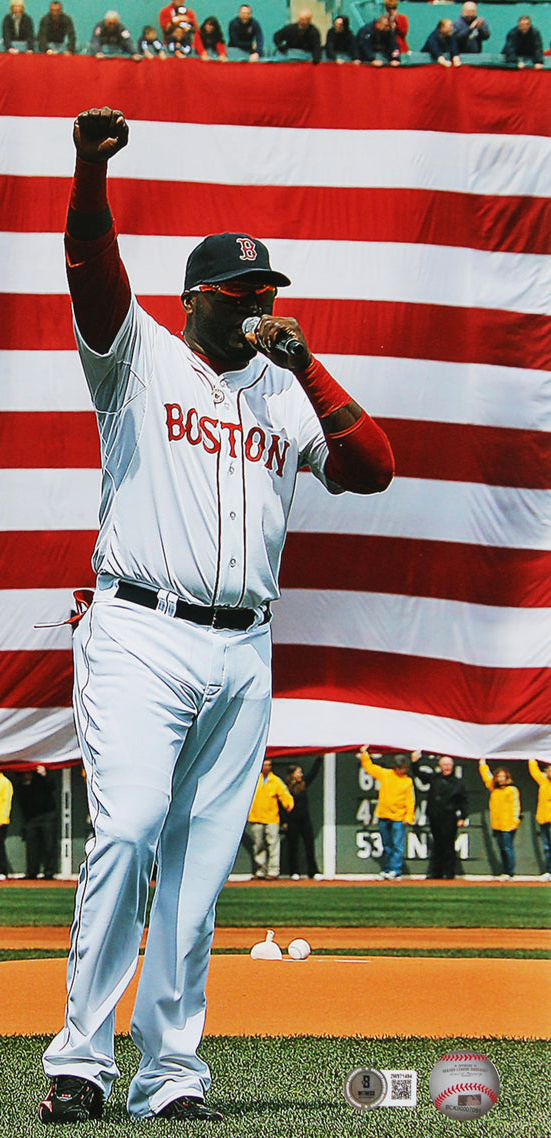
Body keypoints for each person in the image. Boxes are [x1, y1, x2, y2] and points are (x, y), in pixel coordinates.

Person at [39, 106, 393, 1126]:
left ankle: (171, 1073)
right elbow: (87, 265)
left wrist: (304, 365)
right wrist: (87, 168)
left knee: (198, 864)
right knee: (130, 828)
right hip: (140, 630)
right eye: (242, 294)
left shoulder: (284, 392)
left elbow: (371, 471)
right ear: (197, 299)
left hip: (242, 644)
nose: (259, 305)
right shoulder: (137, 357)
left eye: (268, 291)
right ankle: (79, 1058)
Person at [357, 748, 415, 879]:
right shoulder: (386, 774)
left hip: (398, 817)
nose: (403, 770)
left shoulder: (407, 781)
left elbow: (410, 800)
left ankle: (395, 870)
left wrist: (409, 817)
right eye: (401, 767)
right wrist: (364, 755)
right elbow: (370, 768)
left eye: (404, 768)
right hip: (384, 815)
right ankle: (387, 868)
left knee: (397, 846)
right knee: (386, 845)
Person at [413, 752, 468, 880]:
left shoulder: (458, 783)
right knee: (437, 845)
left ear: (453, 766)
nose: (447, 767)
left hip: (449, 817)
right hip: (434, 816)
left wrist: (462, 817)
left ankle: (449, 873)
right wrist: (414, 762)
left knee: (448, 845)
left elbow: (463, 801)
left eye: (449, 764)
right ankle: (435, 873)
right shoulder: (434, 778)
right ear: (440, 766)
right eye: (444, 765)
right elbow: (419, 774)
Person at [246, 758, 293, 880]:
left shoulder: (275, 781)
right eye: (265, 764)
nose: (267, 767)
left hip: (271, 818)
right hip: (256, 816)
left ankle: (273, 871)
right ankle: (261, 870)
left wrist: (288, 803)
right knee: (258, 845)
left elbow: (284, 794)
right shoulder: (254, 779)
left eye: (269, 765)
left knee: (273, 844)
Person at [278, 755, 322, 878]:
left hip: (305, 820)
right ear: (292, 774)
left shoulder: (303, 785)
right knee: (293, 847)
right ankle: (294, 871)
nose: (301, 774)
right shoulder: (285, 787)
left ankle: (313, 871)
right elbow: (282, 806)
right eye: (298, 772)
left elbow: (313, 773)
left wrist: (319, 758)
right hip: (292, 821)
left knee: (309, 847)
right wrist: (284, 821)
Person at [478, 758, 520, 879]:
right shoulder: (494, 789)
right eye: (498, 776)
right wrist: (482, 764)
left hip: (508, 824)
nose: (500, 779)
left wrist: (515, 821)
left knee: (508, 848)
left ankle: (510, 872)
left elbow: (516, 806)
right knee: (501, 849)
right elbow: (486, 777)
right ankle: (505, 871)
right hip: (497, 824)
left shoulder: (512, 790)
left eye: (503, 776)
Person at [15, 766, 59, 880]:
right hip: (31, 819)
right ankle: (32, 872)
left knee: (49, 845)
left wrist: (44, 775)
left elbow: (52, 785)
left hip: (47, 816)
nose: (26, 776)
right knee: (31, 847)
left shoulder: (42, 782)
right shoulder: (21, 786)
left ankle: (49, 872)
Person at [528, 760, 551, 879]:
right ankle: (549, 871)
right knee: (547, 847)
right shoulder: (543, 782)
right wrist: (532, 757)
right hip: (543, 819)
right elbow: (534, 770)